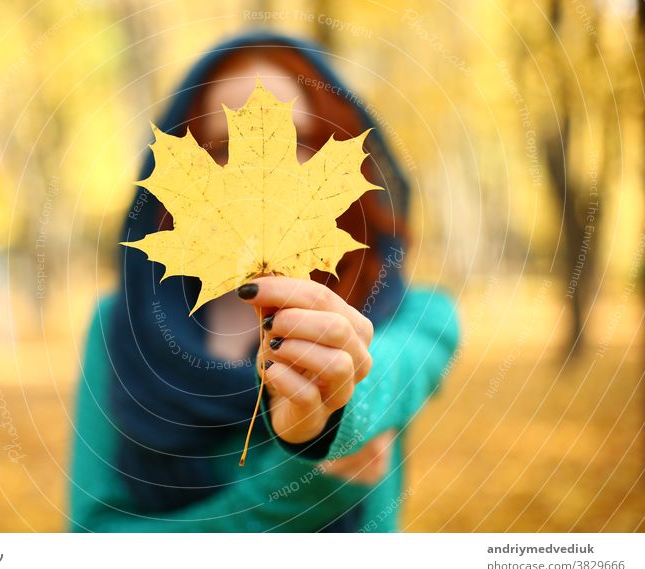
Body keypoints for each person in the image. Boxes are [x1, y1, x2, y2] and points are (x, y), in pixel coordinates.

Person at [68, 31, 460, 532]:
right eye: (223, 145)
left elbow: (380, 378)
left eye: (292, 139)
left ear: (336, 155)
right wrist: (297, 491)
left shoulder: (415, 319)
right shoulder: (119, 330)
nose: (256, 179)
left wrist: (329, 418)